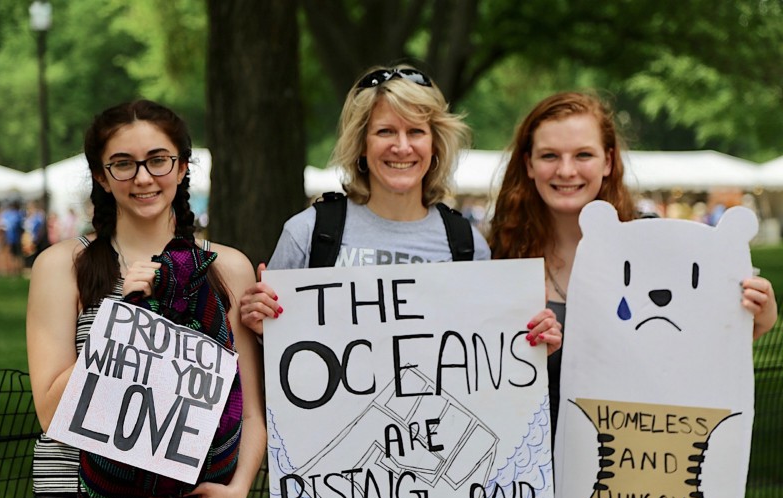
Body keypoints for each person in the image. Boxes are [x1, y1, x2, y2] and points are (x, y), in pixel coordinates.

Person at [26, 100, 266, 498]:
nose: (142, 177)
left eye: (158, 161)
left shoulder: (227, 267)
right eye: (123, 164)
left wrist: (237, 491)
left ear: (182, 167)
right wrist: (127, 319)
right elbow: (49, 411)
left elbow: (248, 409)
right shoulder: (62, 265)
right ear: (101, 175)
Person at [488, 91, 779, 439]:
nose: (566, 170)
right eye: (550, 155)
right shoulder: (496, 257)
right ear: (528, 164)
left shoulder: (657, 244)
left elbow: (693, 356)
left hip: (631, 470)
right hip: (525, 477)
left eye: (583, 154)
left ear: (608, 161)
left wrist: (756, 323)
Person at [239, 65, 562, 353]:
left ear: (434, 144)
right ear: (362, 146)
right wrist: (261, 325)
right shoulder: (308, 233)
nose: (402, 147)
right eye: (385, 131)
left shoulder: (466, 244)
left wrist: (529, 346)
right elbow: (273, 360)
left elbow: (484, 357)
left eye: (416, 131)